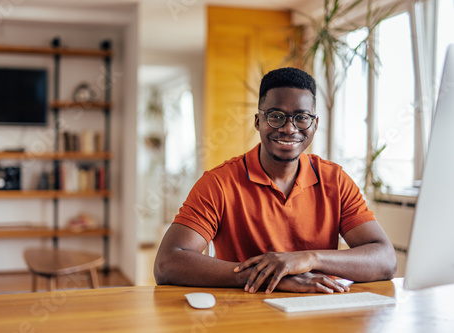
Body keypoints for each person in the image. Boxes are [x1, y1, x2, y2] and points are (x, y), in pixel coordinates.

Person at [154, 67, 396, 294]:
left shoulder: (335, 180)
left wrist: (310, 258)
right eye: (276, 116)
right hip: (243, 313)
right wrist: (270, 277)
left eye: (301, 118)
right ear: (258, 121)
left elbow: (385, 260)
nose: (289, 129)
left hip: (319, 310)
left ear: (314, 124)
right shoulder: (219, 183)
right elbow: (168, 263)